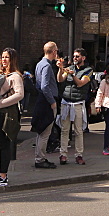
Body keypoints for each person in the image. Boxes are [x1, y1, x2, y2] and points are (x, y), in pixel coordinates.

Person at [0, 48, 24, 187]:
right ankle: (1, 172)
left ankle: (3, 177)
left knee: (4, 144)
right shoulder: (2, 75)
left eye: (7, 57)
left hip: (8, 113)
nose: (3, 60)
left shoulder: (16, 76)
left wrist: (0, 104)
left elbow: (19, 95)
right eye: (2, 57)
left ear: (12, 59)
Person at [56, 48, 93, 166]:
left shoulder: (88, 70)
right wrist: (61, 68)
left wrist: (73, 76)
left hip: (78, 103)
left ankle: (79, 154)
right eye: (74, 56)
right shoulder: (70, 68)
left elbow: (81, 83)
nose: (75, 59)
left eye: (77, 56)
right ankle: (63, 154)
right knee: (65, 129)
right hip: (66, 101)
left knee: (78, 130)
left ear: (83, 58)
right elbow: (60, 79)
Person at [32, 41, 60, 169]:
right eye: (56, 51)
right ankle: (40, 159)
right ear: (53, 52)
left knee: (41, 131)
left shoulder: (40, 64)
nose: (57, 53)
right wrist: (52, 102)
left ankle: (39, 157)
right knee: (45, 132)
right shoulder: (47, 66)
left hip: (41, 100)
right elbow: (44, 86)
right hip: (47, 101)